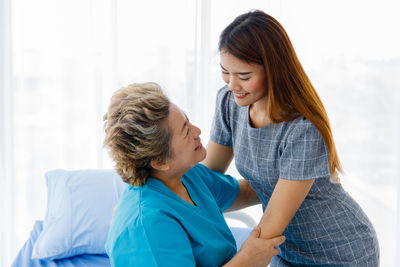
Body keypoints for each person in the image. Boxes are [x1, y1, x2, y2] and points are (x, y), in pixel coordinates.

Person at [202, 9, 380, 266]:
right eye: (225, 72)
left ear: (274, 71)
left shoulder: (303, 129)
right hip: (286, 248)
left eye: (244, 76)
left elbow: (270, 227)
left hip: (339, 250)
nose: (232, 85)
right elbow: (206, 179)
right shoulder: (228, 103)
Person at [103, 82, 285, 267]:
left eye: (188, 120)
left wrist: (294, 173)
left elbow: (245, 193)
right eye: (185, 131)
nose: (197, 131)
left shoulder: (187, 175)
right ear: (160, 161)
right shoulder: (147, 226)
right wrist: (247, 260)